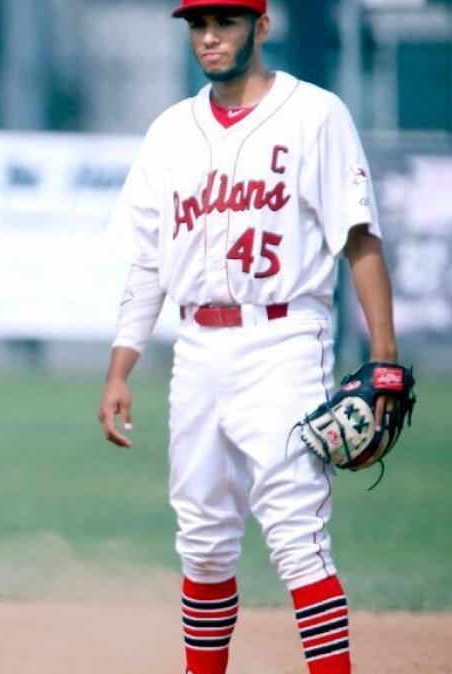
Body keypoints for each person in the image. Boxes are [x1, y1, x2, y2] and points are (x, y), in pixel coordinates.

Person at [97, 2, 399, 673]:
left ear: (261, 27)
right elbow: (147, 262)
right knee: (202, 542)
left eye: (226, 21)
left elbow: (359, 237)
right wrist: (121, 368)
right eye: (198, 24)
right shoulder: (170, 132)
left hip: (284, 339)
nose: (209, 36)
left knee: (297, 536)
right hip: (196, 350)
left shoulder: (315, 115)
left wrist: (384, 357)